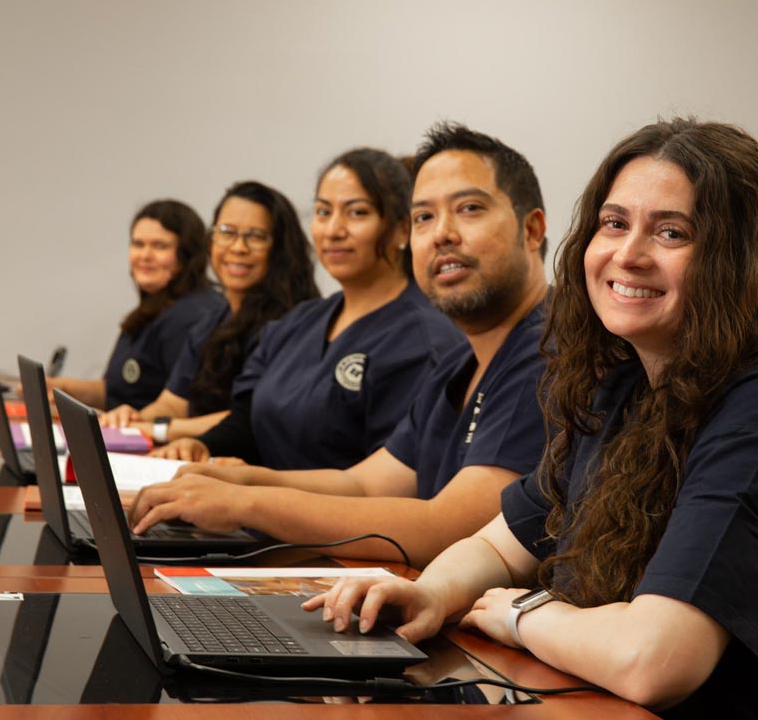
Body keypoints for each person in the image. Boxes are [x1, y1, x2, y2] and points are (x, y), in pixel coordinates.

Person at [307, 119, 758, 718]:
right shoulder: (625, 379)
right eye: (614, 223)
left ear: (733, 259)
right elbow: (509, 536)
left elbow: (654, 662)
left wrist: (523, 614)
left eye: (671, 232)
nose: (628, 254)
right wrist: (430, 593)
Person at [130, 123, 551, 567]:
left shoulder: (544, 355)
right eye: (424, 216)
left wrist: (246, 504)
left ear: (532, 229)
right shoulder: (461, 361)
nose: (442, 232)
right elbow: (365, 485)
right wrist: (238, 480)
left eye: (468, 208)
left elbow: (449, 529)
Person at [152, 148, 464, 469]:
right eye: (323, 212)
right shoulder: (298, 322)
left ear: (402, 228)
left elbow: (387, 484)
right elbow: (249, 418)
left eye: (357, 213)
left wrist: (255, 491)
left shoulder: (423, 341)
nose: (333, 230)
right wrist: (200, 446)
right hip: (254, 509)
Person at [99, 182, 319, 444]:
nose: (238, 248)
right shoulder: (212, 321)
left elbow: (247, 419)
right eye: (227, 232)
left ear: (280, 248)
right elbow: (171, 404)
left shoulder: (295, 323)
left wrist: (158, 429)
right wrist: (132, 420)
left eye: (256, 236)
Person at [49, 199, 225, 410]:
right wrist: (59, 388)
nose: (145, 256)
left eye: (160, 246)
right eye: (138, 244)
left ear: (187, 254)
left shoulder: (194, 315)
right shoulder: (153, 309)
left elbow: (181, 408)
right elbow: (120, 392)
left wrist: (132, 422)